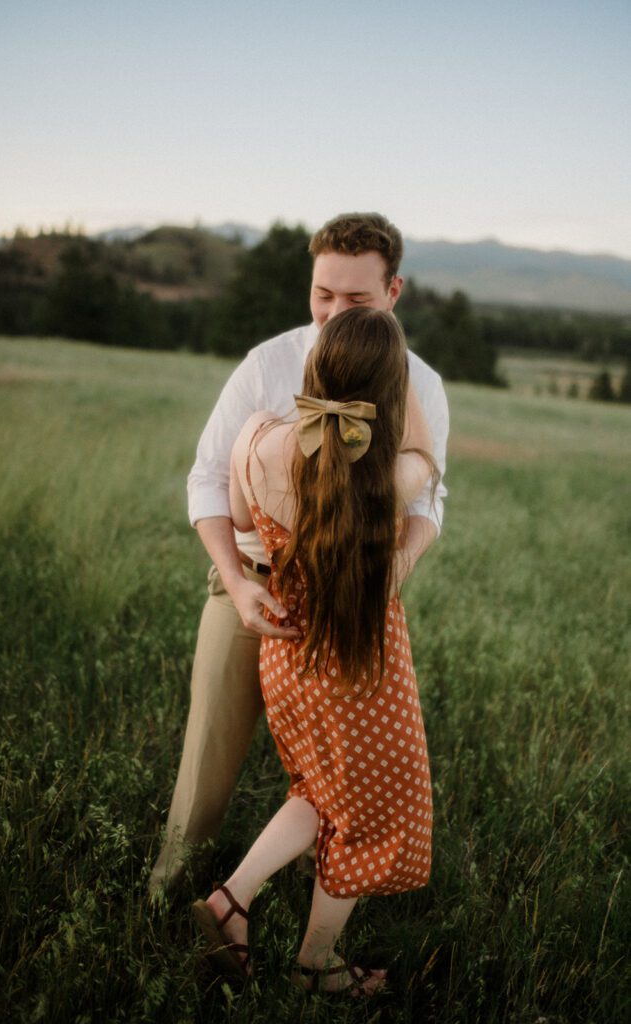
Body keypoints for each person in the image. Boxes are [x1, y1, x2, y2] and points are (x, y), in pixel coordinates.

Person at [149, 213, 449, 896]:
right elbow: (205, 480)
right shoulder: (266, 364)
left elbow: (427, 501)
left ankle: (299, 920)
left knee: (347, 775)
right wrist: (235, 579)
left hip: (352, 599)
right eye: (322, 294)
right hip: (251, 582)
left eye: (355, 300)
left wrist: (390, 573)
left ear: (393, 291)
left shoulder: (419, 383)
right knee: (206, 759)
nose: (332, 313)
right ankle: (165, 893)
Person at [192, 307, 437, 995]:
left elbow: (241, 522)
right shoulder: (392, 472)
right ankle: (315, 963)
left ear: (312, 368)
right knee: (375, 812)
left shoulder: (252, 439)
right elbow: (428, 459)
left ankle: (230, 902)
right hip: (361, 666)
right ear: (386, 391)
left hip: (287, 652)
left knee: (319, 790)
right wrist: (391, 388)